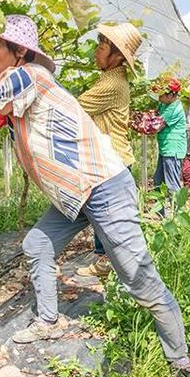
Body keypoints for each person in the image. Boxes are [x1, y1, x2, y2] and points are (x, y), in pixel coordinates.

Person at [0, 15, 190, 377]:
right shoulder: (23, 82)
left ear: (20, 52)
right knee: (36, 244)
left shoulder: (24, 76)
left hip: (102, 189)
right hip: (75, 193)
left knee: (139, 277)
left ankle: (180, 364)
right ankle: (49, 321)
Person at [75, 23, 141, 279]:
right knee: (108, 219)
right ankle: (111, 265)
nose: (96, 51)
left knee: (108, 220)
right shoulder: (111, 79)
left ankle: (110, 267)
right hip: (114, 159)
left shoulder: (112, 84)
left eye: (102, 47)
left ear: (117, 57)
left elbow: (76, 108)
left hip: (112, 161)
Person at [153, 76, 187, 201]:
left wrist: (138, 124)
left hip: (172, 149)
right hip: (165, 149)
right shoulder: (164, 105)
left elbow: (156, 125)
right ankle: (162, 215)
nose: (159, 97)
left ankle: (178, 216)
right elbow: (154, 114)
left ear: (170, 95)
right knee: (158, 181)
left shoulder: (174, 108)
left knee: (172, 184)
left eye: (161, 94)